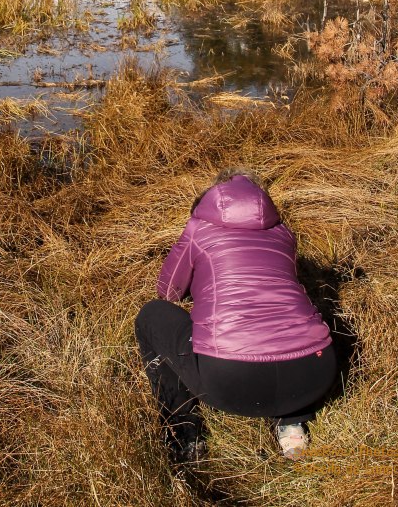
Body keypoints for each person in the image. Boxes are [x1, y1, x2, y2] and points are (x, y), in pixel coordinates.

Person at [135, 169, 336, 463]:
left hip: (229, 379)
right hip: (314, 376)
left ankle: (184, 431)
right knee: (290, 320)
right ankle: (291, 424)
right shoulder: (283, 233)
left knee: (151, 315)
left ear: (212, 199)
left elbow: (168, 292)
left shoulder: (198, 229)